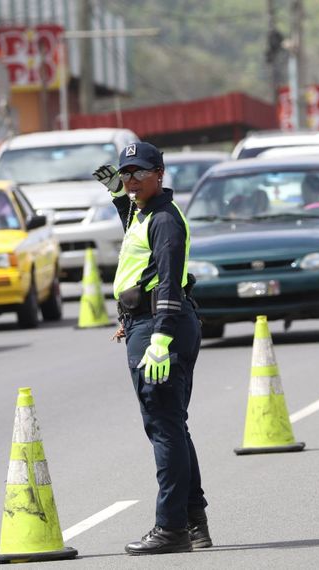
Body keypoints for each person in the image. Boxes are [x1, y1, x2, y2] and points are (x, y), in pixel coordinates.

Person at [93, 142, 210, 556]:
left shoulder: (164, 220)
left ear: (160, 173)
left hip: (163, 328)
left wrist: (159, 337)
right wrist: (114, 193)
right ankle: (194, 522)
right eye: (125, 174)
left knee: (164, 427)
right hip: (147, 324)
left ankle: (171, 527)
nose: (130, 180)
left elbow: (168, 279)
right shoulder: (143, 212)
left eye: (138, 173)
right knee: (172, 424)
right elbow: (131, 220)